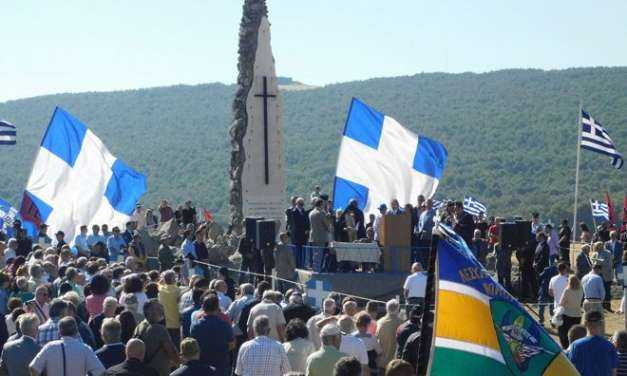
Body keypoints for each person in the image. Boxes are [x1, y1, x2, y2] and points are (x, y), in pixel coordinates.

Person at [29, 317, 105, 376]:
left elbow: (33, 367)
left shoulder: (49, 347)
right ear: (76, 331)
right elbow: (100, 371)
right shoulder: (85, 348)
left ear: (59, 332)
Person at [190, 293, 234, 376]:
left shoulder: (195, 326)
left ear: (203, 307)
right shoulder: (225, 325)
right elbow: (232, 344)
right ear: (217, 308)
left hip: (203, 365)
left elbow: (194, 344)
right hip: (221, 365)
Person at [132, 300, 178, 376]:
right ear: (150, 312)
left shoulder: (138, 327)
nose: (162, 311)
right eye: (159, 309)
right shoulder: (160, 329)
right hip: (158, 371)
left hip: (142, 371)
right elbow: (172, 352)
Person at [568, 311, 618, 376]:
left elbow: (571, 370)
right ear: (601, 323)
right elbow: (614, 372)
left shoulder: (575, 345)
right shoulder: (610, 346)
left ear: (585, 323)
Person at [557, 275, 584, 349]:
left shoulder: (567, 290)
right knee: (575, 332)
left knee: (565, 332)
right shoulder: (581, 289)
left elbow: (561, 303)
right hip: (577, 314)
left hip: (567, 314)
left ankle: (566, 347)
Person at [375, 299, 402, 372]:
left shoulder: (379, 322)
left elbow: (375, 339)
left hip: (381, 360)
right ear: (397, 309)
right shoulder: (401, 323)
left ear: (387, 308)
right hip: (394, 363)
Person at [158, 270, 181, 348]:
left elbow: (159, 283)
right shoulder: (178, 290)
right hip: (176, 322)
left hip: (165, 322)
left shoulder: (161, 290)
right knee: (176, 346)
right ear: (174, 279)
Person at [591, 241, 613, 311]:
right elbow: (592, 263)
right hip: (598, 275)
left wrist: (599, 261)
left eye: (598, 247)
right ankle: (600, 306)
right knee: (599, 291)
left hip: (606, 275)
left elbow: (608, 264)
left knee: (607, 291)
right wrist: (594, 263)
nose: (597, 249)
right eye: (596, 248)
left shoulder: (608, 253)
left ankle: (607, 307)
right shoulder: (595, 254)